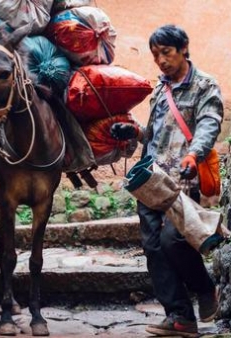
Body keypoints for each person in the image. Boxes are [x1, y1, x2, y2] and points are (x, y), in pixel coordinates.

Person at [110, 24, 223, 338]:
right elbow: (156, 137)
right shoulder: (160, 90)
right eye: (156, 55)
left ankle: (204, 288)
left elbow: (209, 124)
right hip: (151, 180)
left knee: (173, 240)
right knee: (153, 247)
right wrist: (134, 132)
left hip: (185, 179)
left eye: (167, 52)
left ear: (184, 48)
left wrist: (194, 155)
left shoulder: (204, 86)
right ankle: (180, 317)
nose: (160, 60)